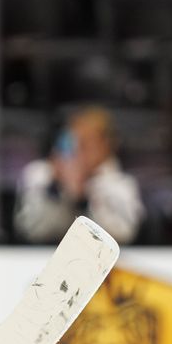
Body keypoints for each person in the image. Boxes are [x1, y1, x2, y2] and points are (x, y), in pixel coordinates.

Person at [14, 105, 144, 245]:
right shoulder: (40, 174)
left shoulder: (121, 184)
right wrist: (56, 187)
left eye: (87, 143)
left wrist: (82, 198)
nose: (79, 151)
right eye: (75, 141)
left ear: (105, 145)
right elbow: (32, 230)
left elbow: (122, 234)